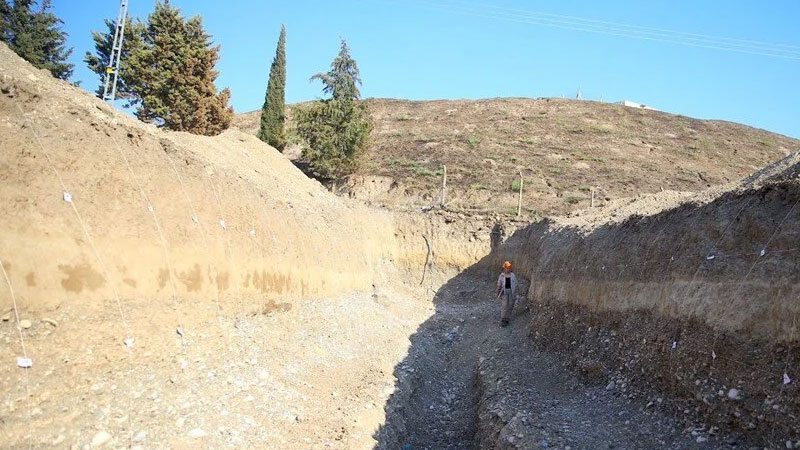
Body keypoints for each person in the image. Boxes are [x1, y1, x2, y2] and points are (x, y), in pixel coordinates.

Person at [495, 261, 517, 326]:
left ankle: (507, 318)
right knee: (504, 306)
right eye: (506, 268)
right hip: (504, 293)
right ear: (504, 268)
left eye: (509, 268)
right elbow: (499, 285)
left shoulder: (513, 275)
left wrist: (517, 292)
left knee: (510, 305)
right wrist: (497, 292)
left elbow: (516, 284)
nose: (507, 269)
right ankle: (503, 319)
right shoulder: (502, 276)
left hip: (511, 292)